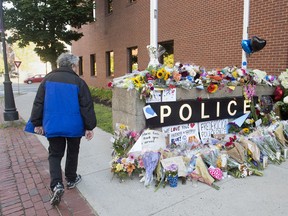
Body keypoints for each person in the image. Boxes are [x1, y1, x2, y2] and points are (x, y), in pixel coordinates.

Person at [28, 52, 97, 206]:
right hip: (74, 126)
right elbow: (86, 106)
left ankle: (57, 184)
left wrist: (37, 123)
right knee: (73, 152)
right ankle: (71, 179)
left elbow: (38, 102)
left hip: (53, 124)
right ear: (72, 65)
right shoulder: (78, 82)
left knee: (55, 154)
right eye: (76, 66)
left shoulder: (47, 80)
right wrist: (89, 126)